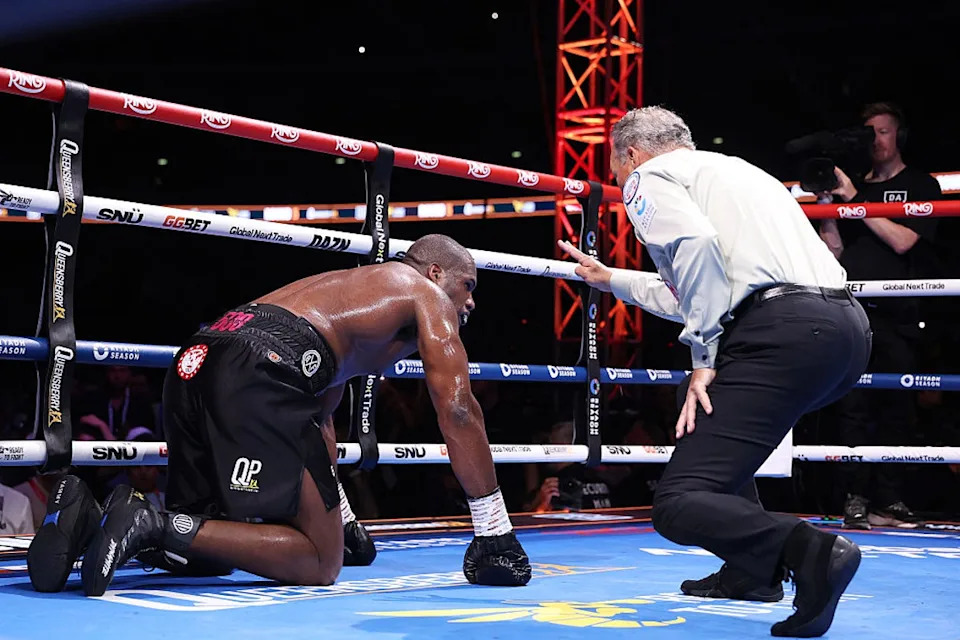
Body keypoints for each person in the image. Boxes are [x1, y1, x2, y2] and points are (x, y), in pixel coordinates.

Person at [27, 234, 531, 596]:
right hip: (259, 366)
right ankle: (149, 519)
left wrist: (344, 516)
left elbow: (318, 415)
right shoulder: (423, 293)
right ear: (436, 272)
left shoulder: (354, 296)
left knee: (205, 549)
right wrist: (494, 531)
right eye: (468, 287)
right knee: (318, 561)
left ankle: (87, 520)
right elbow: (459, 410)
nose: (470, 304)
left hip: (200, 357)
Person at [559, 106, 872, 638]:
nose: (616, 178)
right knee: (718, 453)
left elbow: (696, 252)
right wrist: (613, 279)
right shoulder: (744, 174)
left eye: (614, 165)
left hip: (780, 334)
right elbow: (702, 285)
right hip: (843, 333)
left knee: (677, 504)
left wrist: (703, 358)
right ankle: (753, 573)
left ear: (630, 154)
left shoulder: (647, 178)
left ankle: (811, 550)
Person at [817, 102, 942, 530]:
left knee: (897, 409)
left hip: (901, 313)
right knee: (853, 407)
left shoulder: (920, 184)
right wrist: (828, 205)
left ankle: (889, 499)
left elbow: (905, 240)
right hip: (855, 311)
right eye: (868, 132)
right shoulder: (852, 187)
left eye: (883, 131)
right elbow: (834, 250)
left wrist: (857, 201)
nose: (876, 141)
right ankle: (855, 497)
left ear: (898, 136)